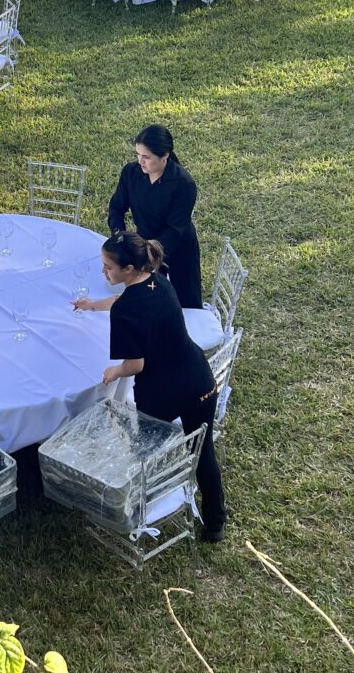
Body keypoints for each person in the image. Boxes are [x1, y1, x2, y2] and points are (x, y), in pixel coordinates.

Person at [74, 231, 226, 541]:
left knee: (140, 449)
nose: (103, 272)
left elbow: (136, 365)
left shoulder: (126, 311)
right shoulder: (158, 280)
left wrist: (114, 371)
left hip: (161, 390)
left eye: (108, 267)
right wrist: (92, 305)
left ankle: (136, 506)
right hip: (199, 380)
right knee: (203, 452)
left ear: (128, 269)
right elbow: (123, 298)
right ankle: (215, 523)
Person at [108, 124, 203, 309]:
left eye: (146, 157)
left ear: (164, 156)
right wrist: (119, 238)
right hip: (145, 246)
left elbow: (175, 230)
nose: (140, 161)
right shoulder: (131, 173)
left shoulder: (183, 184)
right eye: (138, 155)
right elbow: (116, 208)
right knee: (148, 301)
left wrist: (148, 252)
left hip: (178, 250)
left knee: (185, 305)